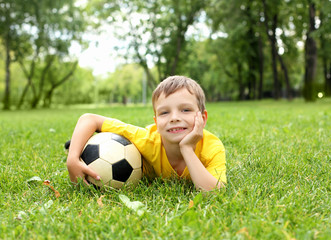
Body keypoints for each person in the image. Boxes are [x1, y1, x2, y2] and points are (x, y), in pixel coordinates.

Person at [66, 75, 226, 191]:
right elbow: (89, 119)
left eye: (186, 110)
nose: (175, 118)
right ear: (156, 122)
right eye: (164, 113)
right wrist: (72, 158)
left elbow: (215, 193)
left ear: (203, 118)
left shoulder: (212, 148)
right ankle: (74, 145)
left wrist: (187, 149)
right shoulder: (145, 139)